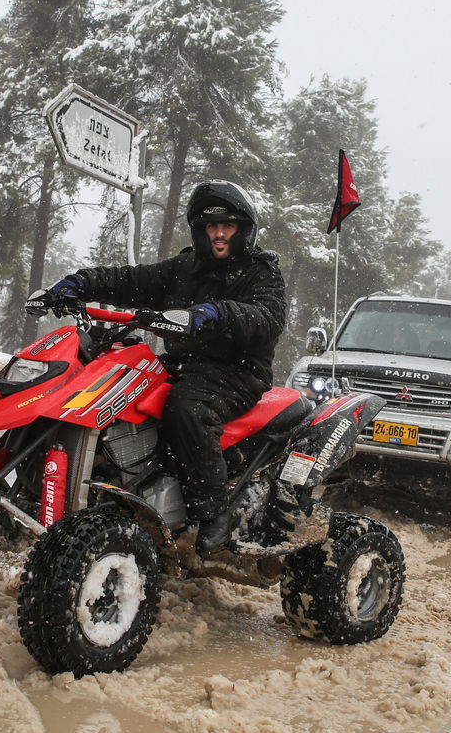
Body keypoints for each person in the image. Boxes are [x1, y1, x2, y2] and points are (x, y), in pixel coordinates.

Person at [32, 179, 286, 552]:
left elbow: (267, 319)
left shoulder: (262, 273)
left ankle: (215, 511)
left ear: (243, 230)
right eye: (210, 226)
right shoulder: (186, 266)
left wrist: (215, 312)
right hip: (181, 363)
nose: (218, 234)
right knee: (108, 390)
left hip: (235, 370)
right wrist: (79, 283)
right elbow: (130, 280)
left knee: (187, 409)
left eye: (226, 226)